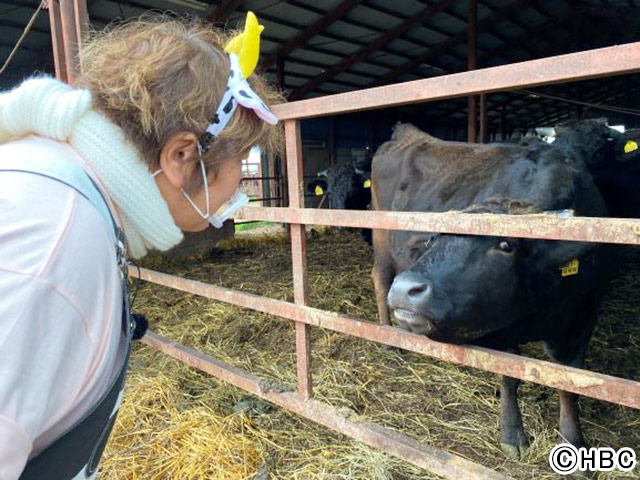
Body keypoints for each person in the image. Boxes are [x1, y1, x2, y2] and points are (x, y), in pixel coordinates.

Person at [0, 11, 281, 479]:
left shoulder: (71, 197)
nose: (238, 188)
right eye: (241, 161)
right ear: (180, 155)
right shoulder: (54, 245)